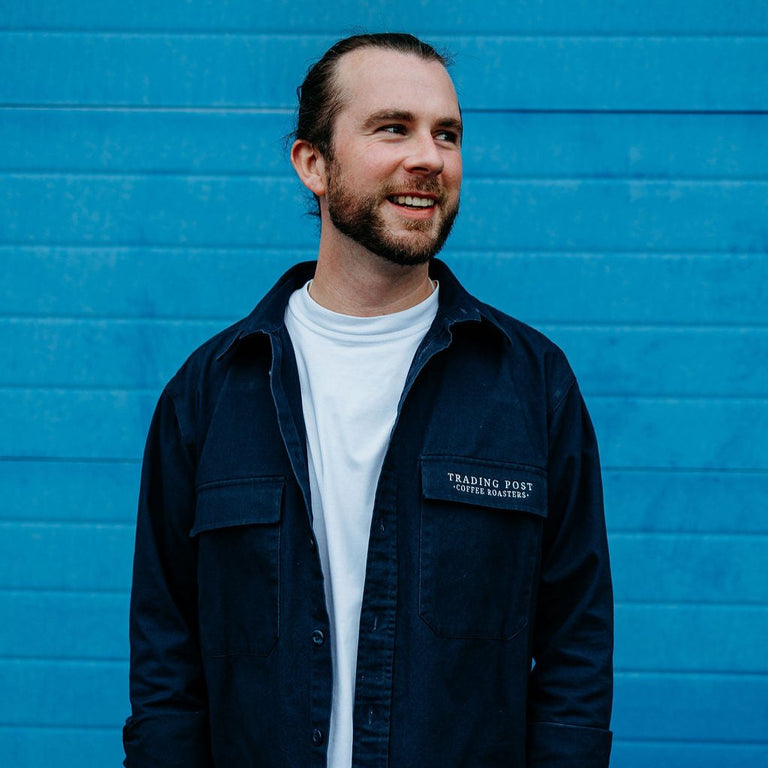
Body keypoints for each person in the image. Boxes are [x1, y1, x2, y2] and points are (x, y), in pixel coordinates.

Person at [123, 32, 613, 768]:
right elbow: (167, 664)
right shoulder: (208, 395)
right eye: (393, 128)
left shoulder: (531, 384)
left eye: (446, 134)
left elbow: (575, 648)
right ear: (312, 163)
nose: (429, 158)